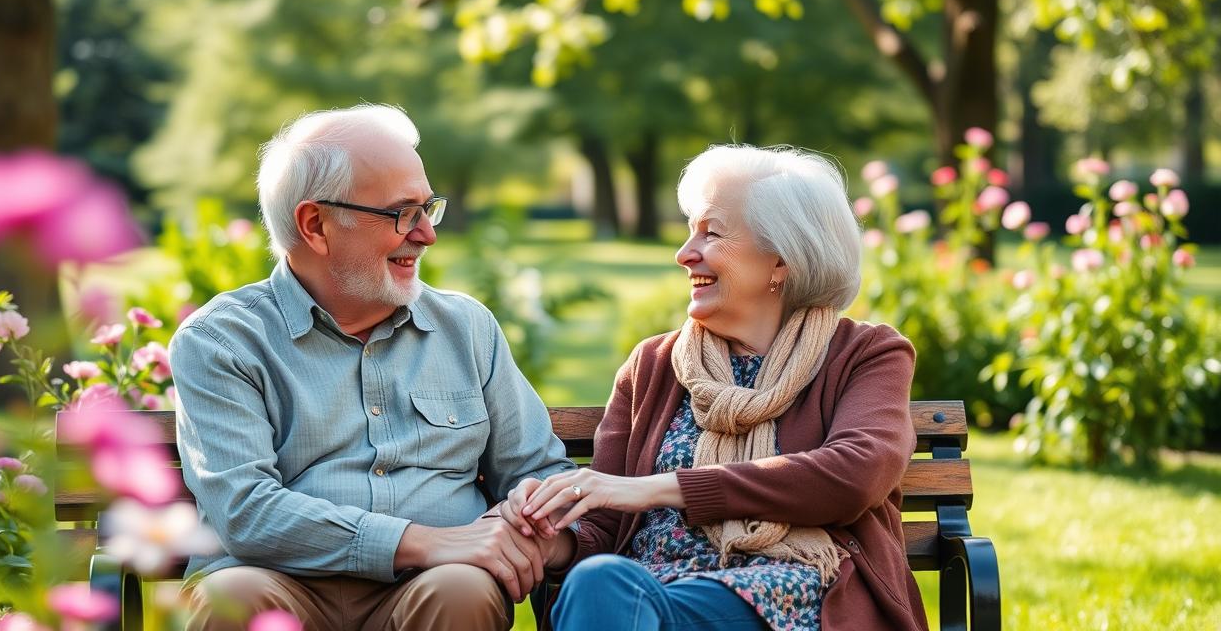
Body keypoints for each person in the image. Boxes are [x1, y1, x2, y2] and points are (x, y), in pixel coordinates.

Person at [170, 104, 576, 631]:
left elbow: (537, 473)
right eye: (403, 213)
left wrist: (529, 515)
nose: (427, 234)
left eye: (429, 208)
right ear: (315, 225)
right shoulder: (221, 341)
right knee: (237, 596)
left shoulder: (466, 329)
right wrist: (424, 541)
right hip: (272, 579)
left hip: (431, 589)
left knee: (461, 590)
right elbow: (246, 511)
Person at [501, 144, 929, 630]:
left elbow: (855, 474)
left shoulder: (865, 355)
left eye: (712, 233)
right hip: (649, 594)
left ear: (781, 260)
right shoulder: (653, 366)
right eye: (689, 232)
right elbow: (605, 527)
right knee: (601, 583)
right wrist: (548, 534)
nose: (684, 255)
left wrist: (656, 490)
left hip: (795, 595)